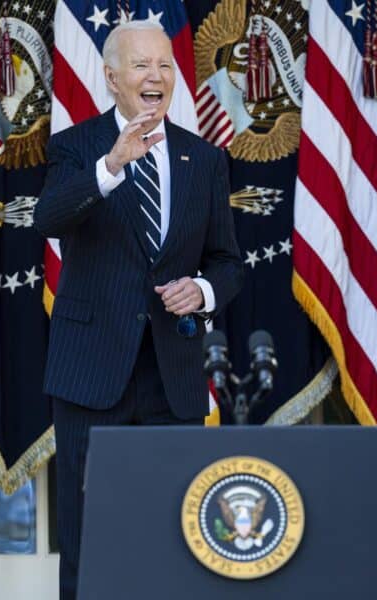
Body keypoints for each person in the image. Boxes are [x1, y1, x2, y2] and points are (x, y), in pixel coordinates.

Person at [33, 19, 243, 600]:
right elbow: (46, 220)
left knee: (174, 534)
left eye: (165, 66)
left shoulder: (203, 159)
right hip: (90, 374)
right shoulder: (75, 147)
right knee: (86, 536)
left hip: (171, 375)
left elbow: (227, 262)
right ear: (111, 78)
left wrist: (200, 292)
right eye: (142, 66)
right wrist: (111, 167)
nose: (157, 77)